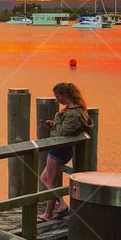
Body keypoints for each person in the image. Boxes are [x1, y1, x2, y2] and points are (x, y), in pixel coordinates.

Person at [38, 81, 92, 221]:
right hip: (60, 148)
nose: (57, 100)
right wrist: (54, 125)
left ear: (65, 95)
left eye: (58, 96)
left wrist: (56, 119)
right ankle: (61, 204)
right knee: (44, 178)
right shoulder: (73, 111)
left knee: (52, 181)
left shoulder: (73, 114)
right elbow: (63, 130)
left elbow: (62, 133)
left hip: (59, 150)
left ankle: (49, 213)